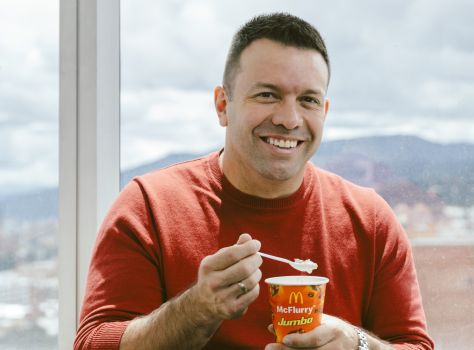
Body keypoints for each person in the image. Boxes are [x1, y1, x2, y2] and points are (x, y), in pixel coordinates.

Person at [74, 13, 434, 350]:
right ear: (222, 105)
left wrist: (356, 343)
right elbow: (92, 343)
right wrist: (196, 309)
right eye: (267, 95)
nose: (290, 119)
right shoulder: (149, 206)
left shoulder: (370, 221)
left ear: (323, 112)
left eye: (308, 100)